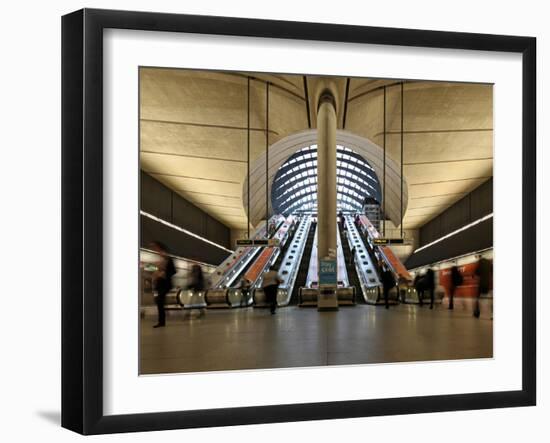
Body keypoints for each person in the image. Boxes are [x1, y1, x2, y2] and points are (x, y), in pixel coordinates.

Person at [150, 241, 176, 328]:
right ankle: (162, 321)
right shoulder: (160, 260)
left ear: (161, 249)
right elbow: (155, 269)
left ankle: (161, 322)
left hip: (166, 284)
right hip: (159, 283)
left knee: (160, 300)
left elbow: (173, 271)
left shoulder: (169, 259)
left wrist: (164, 273)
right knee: (159, 301)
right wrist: (149, 267)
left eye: (156, 248)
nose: (155, 250)